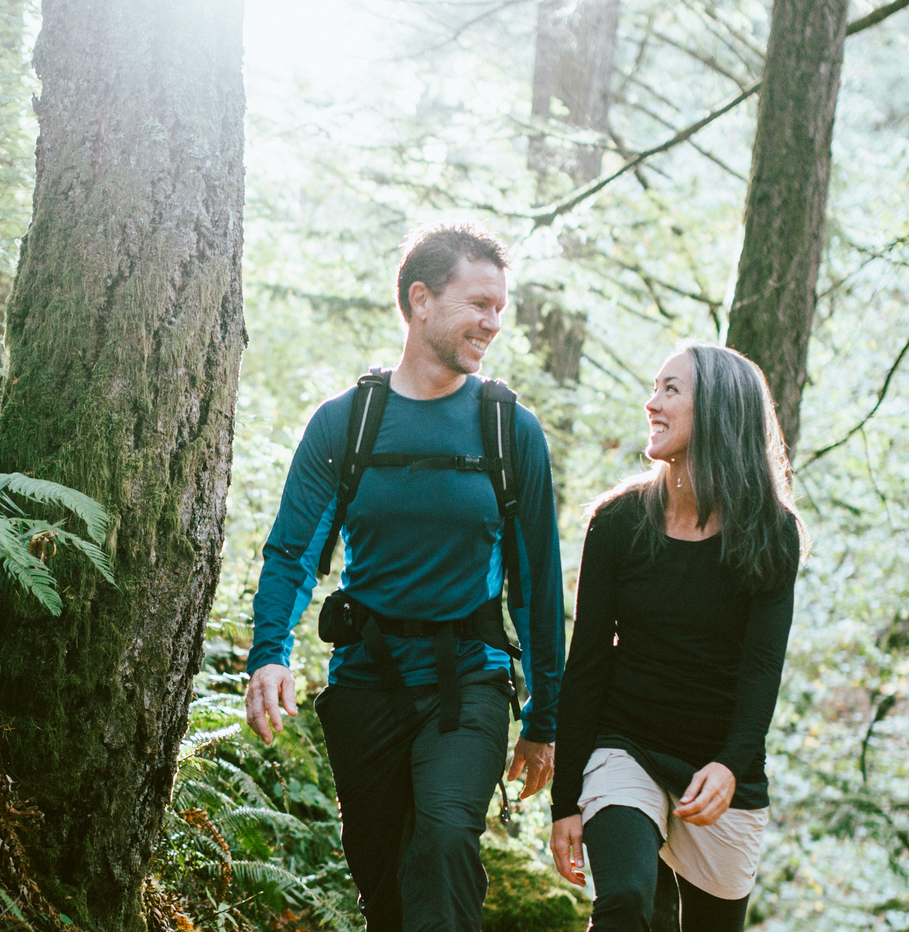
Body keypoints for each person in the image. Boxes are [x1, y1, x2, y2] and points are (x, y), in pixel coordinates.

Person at [243, 222, 566, 932]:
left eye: (499, 309)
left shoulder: (510, 432)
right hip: (366, 682)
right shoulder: (346, 424)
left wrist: (544, 718)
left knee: (445, 838)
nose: (492, 323)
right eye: (478, 303)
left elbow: (537, 583)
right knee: (381, 878)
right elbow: (293, 552)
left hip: (470, 679)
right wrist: (271, 652)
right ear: (420, 300)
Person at [546, 341, 806, 931]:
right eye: (653, 387)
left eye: (670, 390)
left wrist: (732, 764)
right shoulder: (617, 522)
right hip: (625, 744)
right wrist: (565, 803)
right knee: (625, 901)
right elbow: (586, 663)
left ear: (716, 411)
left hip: (718, 764)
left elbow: (762, 667)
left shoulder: (772, 533)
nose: (651, 403)